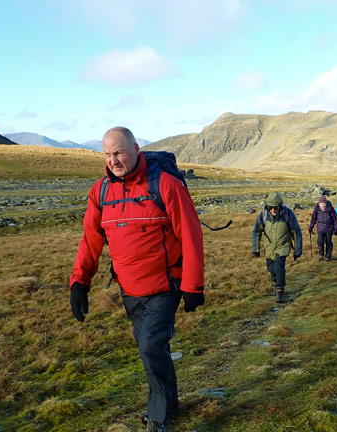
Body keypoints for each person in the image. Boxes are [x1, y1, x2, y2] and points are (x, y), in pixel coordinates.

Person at [69, 126, 204, 432]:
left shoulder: (165, 185)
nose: (113, 160)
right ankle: (170, 401)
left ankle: (157, 417)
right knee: (152, 348)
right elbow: (90, 241)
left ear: (135, 149)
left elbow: (191, 235)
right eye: (107, 154)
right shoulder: (100, 191)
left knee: (150, 347)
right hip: (129, 290)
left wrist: (193, 285)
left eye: (118, 152)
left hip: (165, 287)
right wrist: (80, 283)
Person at [252, 191, 302, 303]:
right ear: (267, 207)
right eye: (271, 208)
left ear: (280, 206)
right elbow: (256, 232)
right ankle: (276, 284)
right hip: (269, 248)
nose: (273, 210)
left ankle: (280, 291)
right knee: (271, 269)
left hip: (283, 246)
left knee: (279, 268)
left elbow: (296, 232)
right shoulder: (263, 215)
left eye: (276, 208)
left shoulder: (288, 214)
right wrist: (255, 249)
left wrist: (298, 250)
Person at [309, 195, 337, 261]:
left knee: (328, 242)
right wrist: (311, 226)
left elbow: (335, 219)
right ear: (319, 204)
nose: (323, 206)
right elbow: (313, 218)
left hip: (329, 228)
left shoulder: (330, 209)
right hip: (320, 228)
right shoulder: (316, 208)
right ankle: (321, 255)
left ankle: (328, 256)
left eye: (324, 205)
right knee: (320, 241)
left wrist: (336, 229)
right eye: (321, 205)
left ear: (326, 203)